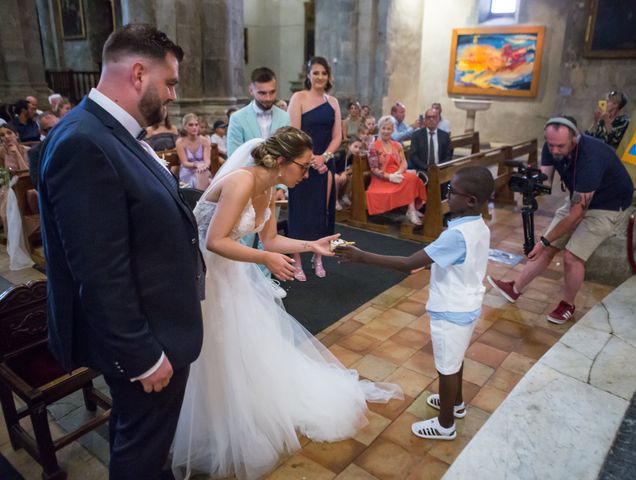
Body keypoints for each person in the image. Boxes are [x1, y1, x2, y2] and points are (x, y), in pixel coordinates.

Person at [171, 128, 403, 480]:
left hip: (234, 277)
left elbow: (271, 238)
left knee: (244, 349)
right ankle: (215, 421)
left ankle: (247, 407)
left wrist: (311, 246)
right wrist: (264, 260)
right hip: (207, 277)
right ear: (281, 162)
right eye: (304, 166)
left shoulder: (269, 189)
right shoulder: (240, 182)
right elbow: (216, 241)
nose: (307, 174)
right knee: (218, 350)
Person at [39, 24, 205, 479]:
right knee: (139, 452)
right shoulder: (83, 142)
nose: (172, 95)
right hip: (146, 340)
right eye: (169, 82)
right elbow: (98, 270)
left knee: (146, 439)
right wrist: (141, 356)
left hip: (159, 324)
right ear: (138, 73)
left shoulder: (112, 131)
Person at [336, 166, 494, 441]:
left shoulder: (455, 236)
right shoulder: (477, 224)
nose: (446, 196)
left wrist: (362, 257)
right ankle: (454, 404)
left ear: (470, 200)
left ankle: (445, 425)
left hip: (451, 309)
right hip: (466, 304)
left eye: (450, 192)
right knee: (455, 359)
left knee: (446, 367)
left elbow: (408, 263)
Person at [488, 116, 634, 324]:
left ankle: (568, 304)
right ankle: (515, 288)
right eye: (551, 144)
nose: (555, 150)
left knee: (572, 256)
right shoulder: (552, 145)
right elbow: (545, 180)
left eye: (560, 146)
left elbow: (576, 215)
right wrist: (531, 183)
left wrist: (544, 240)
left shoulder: (590, 157)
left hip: (608, 205)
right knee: (547, 248)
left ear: (575, 138)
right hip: (580, 196)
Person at [226, 66, 291, 297]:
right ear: (251, 89)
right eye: (262, 93)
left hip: (275, 186)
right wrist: (255, 186)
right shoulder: (238, 118)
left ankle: (265, 279)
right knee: (243, 234)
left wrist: (280, 186)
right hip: (246, 185)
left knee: (268, 234)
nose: (268, 98)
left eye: (272, 92)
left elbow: (288, 156)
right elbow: (235, 157)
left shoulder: (285, 117)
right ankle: (241, 280)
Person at [287, 56, 342, 281]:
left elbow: (338, 136)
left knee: (321, 212)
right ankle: (297, 259)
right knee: (300, 213)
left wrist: (325, 157)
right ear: (308, 75)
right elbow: (294, 134)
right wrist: (311, 159)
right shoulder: (298, 98)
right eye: (315, 72)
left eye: (324, 73)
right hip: (302, 164)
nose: (320, 77)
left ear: (328, 76)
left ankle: (318, 257)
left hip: (325, 164)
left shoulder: (333, 102)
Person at [366, 116, 426, 225]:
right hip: (381, 180)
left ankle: (411, 209)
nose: (386, 131)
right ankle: (411, 210)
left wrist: (398, 172)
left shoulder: (397, 145)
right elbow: (373, 168)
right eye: (384, 128)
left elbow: (404, 162)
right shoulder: (373, 146)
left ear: (393, 130)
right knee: (411, 178)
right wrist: (389, 176)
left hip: (398, 174)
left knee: (412, 177)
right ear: (379, 129)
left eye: (389, 129)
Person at [176, 113, 212, 190]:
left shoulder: (204, 141)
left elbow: (207, 161)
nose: (194, 127)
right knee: (205, 179)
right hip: (187, 173)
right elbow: (185, 163)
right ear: (185, 126)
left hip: (203, 170)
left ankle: (200, 197)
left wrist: (203, 166)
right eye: (191, 125)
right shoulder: (180, 142)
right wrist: (196, 165)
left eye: (196, 124)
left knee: (203, 173)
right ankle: (200, 198)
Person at [28, 112, 59, 190]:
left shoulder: (72, 144)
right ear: (41, 132)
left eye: (58, 126)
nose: (56, 131)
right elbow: (38, 183)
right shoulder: (35, 152)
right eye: (50, 129)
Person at [335, 136, 360, 211]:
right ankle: (335, 201)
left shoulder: (352, 155)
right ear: (349, 145)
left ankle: (343, 196)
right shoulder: (340, 153)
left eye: (359, 147)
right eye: (355, 146)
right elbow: (331, 166)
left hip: (340, 172)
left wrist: (344, 173)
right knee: (336, 178)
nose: (357, 149)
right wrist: (339, 174)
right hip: (332, 172)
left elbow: (352, 167)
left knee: (352, 176)